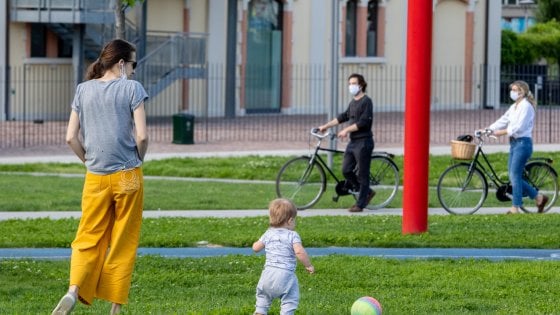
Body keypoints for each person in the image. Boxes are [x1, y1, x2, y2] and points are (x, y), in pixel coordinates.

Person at [51, 39, 149, 315]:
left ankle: (73, 290)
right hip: (127, 175)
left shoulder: (83, 91)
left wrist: (88, 161)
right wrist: (138, 158)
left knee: (87, 235)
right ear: (121, 63)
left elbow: (70, 137)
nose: (133, 70)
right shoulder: (132, 88)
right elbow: (142, 135)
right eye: (133, 64)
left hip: (95, 176)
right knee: (124, 239)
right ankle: (114, 308)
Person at [482, 80, 548, 214]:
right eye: (511, 89)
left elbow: (518, 126)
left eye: (515, 89)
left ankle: (515, 207)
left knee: (515, 174)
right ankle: (539, 197)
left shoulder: (526, 106)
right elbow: (503, 119)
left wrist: (501, 132)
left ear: (521, 92)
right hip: (514, 143)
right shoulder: (514, 106)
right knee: (514, 176)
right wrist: (487, 129)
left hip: (523, 144)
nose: (512, 92)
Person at [318, 73, 375, 212]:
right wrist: (325, 126)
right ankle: (366, 191)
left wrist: (346, 130)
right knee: (346, 170)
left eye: (353, 83)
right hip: (353, 142)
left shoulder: (366, 101)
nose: (351, 86)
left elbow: (363, 122)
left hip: (364, 142)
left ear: (361, 85)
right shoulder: (353, 102)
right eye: (349, 84)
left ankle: (360, 204)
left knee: (363, 174)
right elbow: (343, 116)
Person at [252, 198, 315, 315]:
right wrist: (309, 265)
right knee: (290, 299)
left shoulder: (268, 233)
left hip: (267, 275)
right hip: (285, 275)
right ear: (290, 220)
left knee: (263, 299)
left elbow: (256, 248)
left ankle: (260, 312)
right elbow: (300, 252)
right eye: (295, 220)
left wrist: (255, 244)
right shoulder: (292, 235)